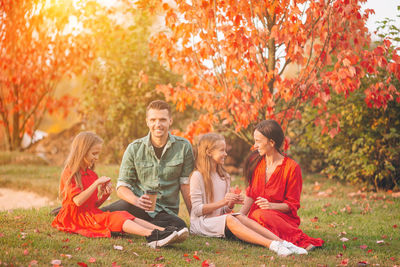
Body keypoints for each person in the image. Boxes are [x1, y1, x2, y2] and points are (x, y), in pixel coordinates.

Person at [51, 132, 181, 248]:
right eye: (94, 153)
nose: (96, 158)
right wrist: (96, 184)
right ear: (82, 151)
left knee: (124, 214)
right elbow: (78, 201)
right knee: (117, 217)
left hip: (90, 214)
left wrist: (103, 196)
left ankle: (164, 231)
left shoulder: (91, 174)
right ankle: (153, 235)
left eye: (98, 154)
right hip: (75, 218)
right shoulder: (70, 173)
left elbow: (92, 206)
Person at [189, 133, 308, 257]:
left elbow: (223, 210)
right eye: (222, 150)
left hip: (216, 221)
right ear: (208, 152)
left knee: (239, 216)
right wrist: (224, 201)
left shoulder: (225, 177)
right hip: (201, 224)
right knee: (230, 218)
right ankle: (271, 244)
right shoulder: (197, 176)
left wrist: (230, 203)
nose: (226, 154)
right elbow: (196, 210)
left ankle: (284, 243)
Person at [102, 100, 194, 241]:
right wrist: (136, 200)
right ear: (147, 122)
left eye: (162, 119)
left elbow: (185, 185)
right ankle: (69, 212)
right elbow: (122, 187)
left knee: (180, 227)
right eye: (153, 120)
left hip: (165, 212)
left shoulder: (184, 147)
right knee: (99, 214)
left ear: (170, 121)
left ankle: (133, 226)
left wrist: (194, 219)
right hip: (135, 206)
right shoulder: (134, 148)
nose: (158, 124)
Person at [240, 120, 325, 250]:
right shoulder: (256, 162)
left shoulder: (291, 168)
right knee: (255, 216)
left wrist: (270, 206)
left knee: (260, 214)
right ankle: (271, 238)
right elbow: (251, 193)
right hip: (256, 218)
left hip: (282, 219)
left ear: (272, 143)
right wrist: (239, 216)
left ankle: (300, 241)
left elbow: (292, 205)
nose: (254, 145)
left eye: (258, 141)